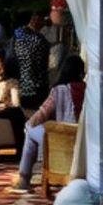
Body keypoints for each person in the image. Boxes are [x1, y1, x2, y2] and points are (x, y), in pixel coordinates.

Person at [12, 55, 87, 192]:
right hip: (84, 140)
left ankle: (24, 178)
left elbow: (41, 114)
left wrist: (28, 125)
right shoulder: (89, 90)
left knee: (30, 130)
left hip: (62, 139)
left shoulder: (59, 91)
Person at [0, 52, 27, 155]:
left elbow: (16, 103)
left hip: (6, 110)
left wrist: (6, 104)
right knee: (17, 114)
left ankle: (21, 150)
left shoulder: (12, 82)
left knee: (17, 113)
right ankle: (21, 149)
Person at [12, 11, 51, 108]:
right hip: (37, 85)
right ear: (35, 21)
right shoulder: (39, 40)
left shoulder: (17, 35)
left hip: (21, 83)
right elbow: (43, 63)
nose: (43, 24)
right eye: (42, 21)